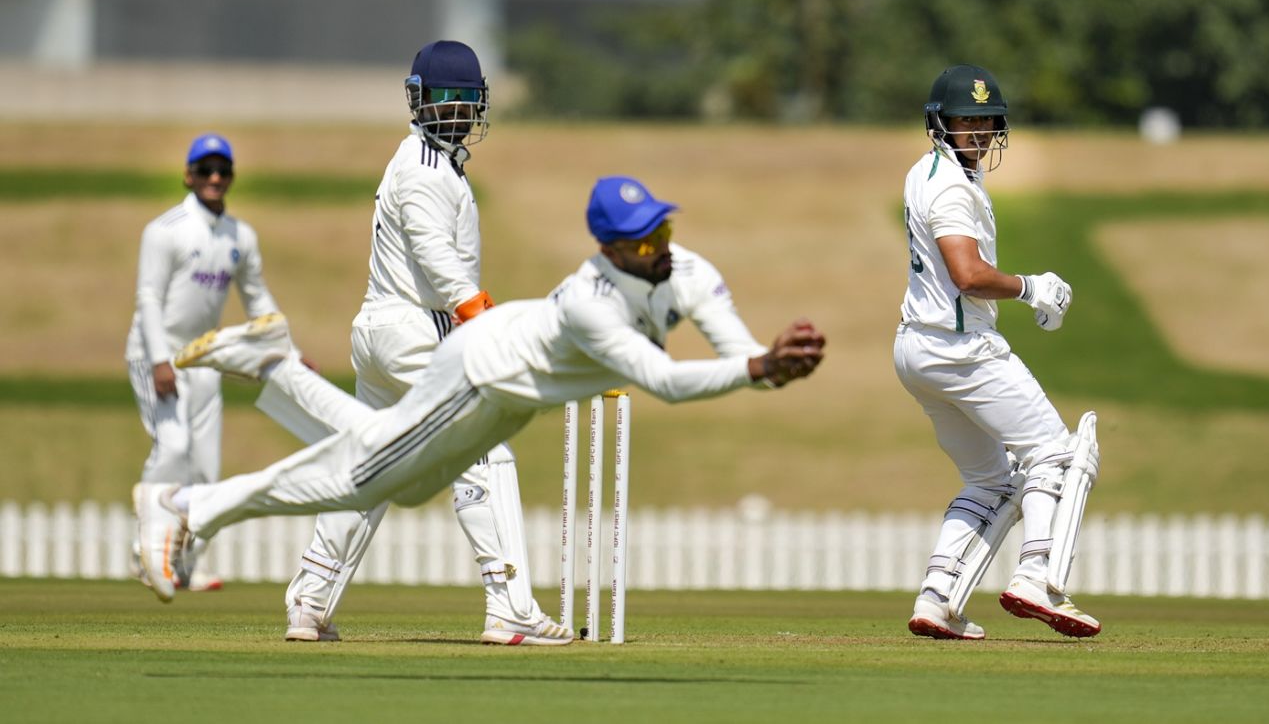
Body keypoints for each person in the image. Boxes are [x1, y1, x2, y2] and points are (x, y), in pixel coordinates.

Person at [133, 176, 826, 616]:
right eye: (645, 243)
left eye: (664, 232)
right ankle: (188, 506)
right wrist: (762, 368)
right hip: (478, 374)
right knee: (355, 479)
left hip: (508, 400)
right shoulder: (589, 302)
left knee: (391, 475)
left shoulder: (690, 269)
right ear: (610, 252)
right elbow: (668, 384)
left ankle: (276, 366)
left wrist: (771, 364)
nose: (662, 249)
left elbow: (742, 357)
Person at [242, 40, 571, 645]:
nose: (457, 113)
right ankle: (510, 605)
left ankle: (310, 600)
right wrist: (479, 313)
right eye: (446, 101)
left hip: (384, 332)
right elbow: (433, 251)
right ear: (420, 102)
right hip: (416, 331)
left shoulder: (427, 161)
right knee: (488, 452)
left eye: (465, 101)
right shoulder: (422, 168)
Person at [895, 64, 1101, 641]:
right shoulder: (951, 186)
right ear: (939, 123)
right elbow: (967, 274)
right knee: (1059, 456)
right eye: (967, 119)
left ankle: (938, 598)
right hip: (960, 348)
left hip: (916, 347)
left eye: (988, 119)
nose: (980, 131)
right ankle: (1037, 575)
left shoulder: (931, 172)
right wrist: (1031, 286)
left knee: (990, 481)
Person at [124, 133, 281, 591]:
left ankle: (185, 562)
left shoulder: (240, 236)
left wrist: (286, 349)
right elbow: (148, 298)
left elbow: (257, 298)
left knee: (206, 469)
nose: (215, 178)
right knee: (173, 447)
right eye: (206, 169)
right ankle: (145, 552)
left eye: (223, 170)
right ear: (188, 175)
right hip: (156, 355)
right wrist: (158, 360)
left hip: (204, 360)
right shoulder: (164, 230)